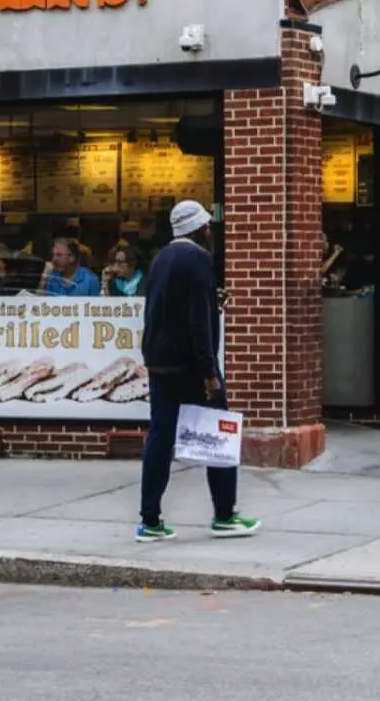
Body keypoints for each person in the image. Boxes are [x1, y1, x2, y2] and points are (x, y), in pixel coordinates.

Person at [136, 200, 257, 542]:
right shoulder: (199, 260)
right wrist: (208, 373)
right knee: (219, 434)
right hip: (191, 364)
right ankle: (224, 514)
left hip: (160, 362)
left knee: (159, 438)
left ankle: (150, 520)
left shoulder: (161, 258)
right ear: (200, 229)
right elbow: (198, 324)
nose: (211, 231)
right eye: (208, 226)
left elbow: (167, 308)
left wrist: (210, 299)